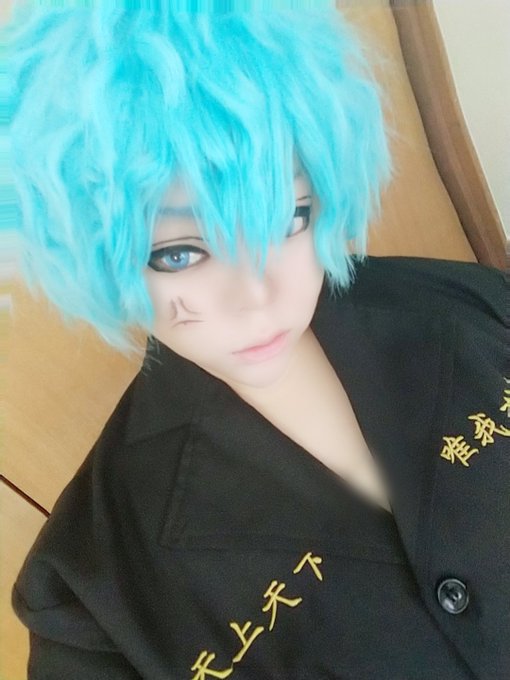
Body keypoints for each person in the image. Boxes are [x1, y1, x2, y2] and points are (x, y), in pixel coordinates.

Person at [6, 2, 508, 679]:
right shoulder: (90, 594)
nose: (256, 294)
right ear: (98, 253)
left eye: (286, 218)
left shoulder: (474, 305)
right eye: (179, 253)